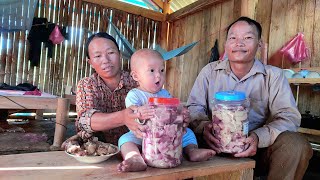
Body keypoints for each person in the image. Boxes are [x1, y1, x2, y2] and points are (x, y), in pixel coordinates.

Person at [187, 16, 313, 179]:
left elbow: (289, 118)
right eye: (233, 38)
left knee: (296, 144)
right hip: (213, 145)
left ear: (259, 44)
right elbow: (194, 108)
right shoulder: (210, 72)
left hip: (256, 149)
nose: (239, 43)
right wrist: (205, 128)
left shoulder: (273, 76)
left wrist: (257, 137)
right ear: (226, 44)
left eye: (247, 37)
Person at [117, 49, 215, 172]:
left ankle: (191, 151)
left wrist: (183, 114)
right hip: (143, 134)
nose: (158, 75)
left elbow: (176, 110)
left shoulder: (165, 94)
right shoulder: (135, 95)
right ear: (136, 76)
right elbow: (132, 113)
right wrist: (140, 111)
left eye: (162, 70)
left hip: (168, 134)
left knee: (188, 133)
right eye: (151, 71)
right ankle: (135, 158)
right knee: (125, 140)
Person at [73, 32, 142, 145]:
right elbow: (85, 121)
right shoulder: (87, 84)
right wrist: (123, 117)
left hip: (135, 145)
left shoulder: (137, 82)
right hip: (97, 148)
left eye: (110, 53)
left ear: (119, 55)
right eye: (98, 56)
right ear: (90, 62)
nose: (105, 60)